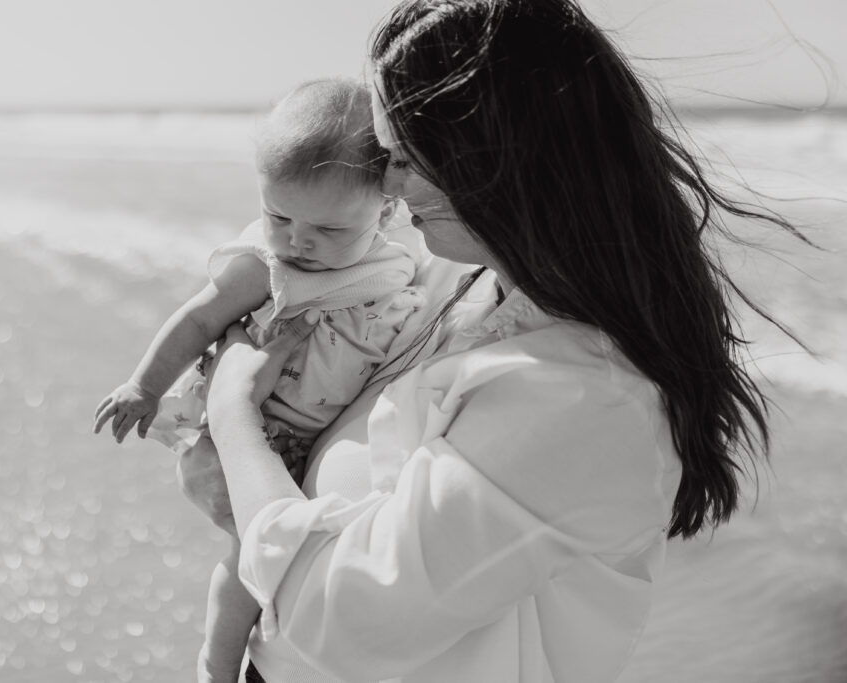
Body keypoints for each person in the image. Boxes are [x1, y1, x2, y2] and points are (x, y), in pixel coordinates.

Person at [178, 0, 811, 681]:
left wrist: (233, 411)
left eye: (402, 158)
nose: (384, 184)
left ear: (496, 159)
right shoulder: (464, 283)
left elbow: (337, 620)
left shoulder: (584, 398)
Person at [93, 78, 427, 682]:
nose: (299, 239)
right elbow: (199, 318)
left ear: (386, 206)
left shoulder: (398, 250)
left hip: (294, 442)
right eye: (278, 215)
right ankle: (218, 666)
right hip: (244, 441)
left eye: (327, 230)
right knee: (252, 561)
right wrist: (143, 385)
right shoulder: (268, 267)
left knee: (279, 566)